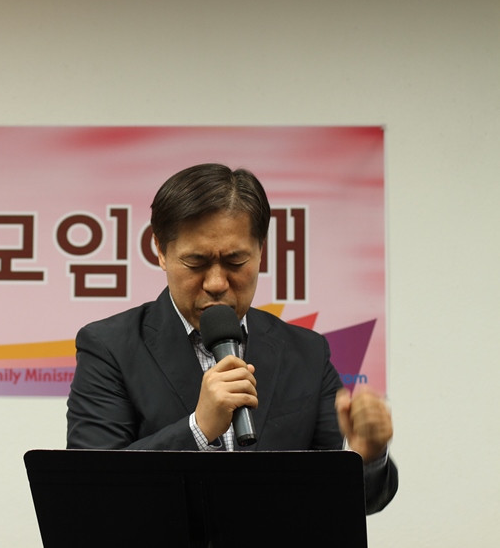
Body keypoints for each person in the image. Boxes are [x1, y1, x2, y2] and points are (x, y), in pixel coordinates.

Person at [66, 163, 397, 514]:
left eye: (236, 261)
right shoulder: (108, 347)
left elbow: (346, 502)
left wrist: (367, 456)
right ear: (161, 251)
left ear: (260, 250)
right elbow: (91, 493)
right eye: (196, 262)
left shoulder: (308, 353)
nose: (216, 283)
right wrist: (198, 428)